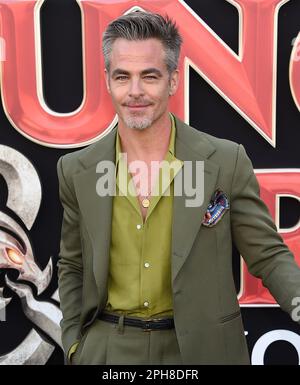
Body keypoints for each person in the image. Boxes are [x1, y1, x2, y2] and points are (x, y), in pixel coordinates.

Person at [56, 11, 300, 365]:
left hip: (203, 351)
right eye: (123, 76)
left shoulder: (224, 162)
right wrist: (75, 346)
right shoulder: (76, 170)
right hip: (108, 352)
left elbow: (267, 255)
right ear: (107, 80)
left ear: (172, 81)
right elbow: (73, 266)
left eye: (149, 76)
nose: (135, 91)